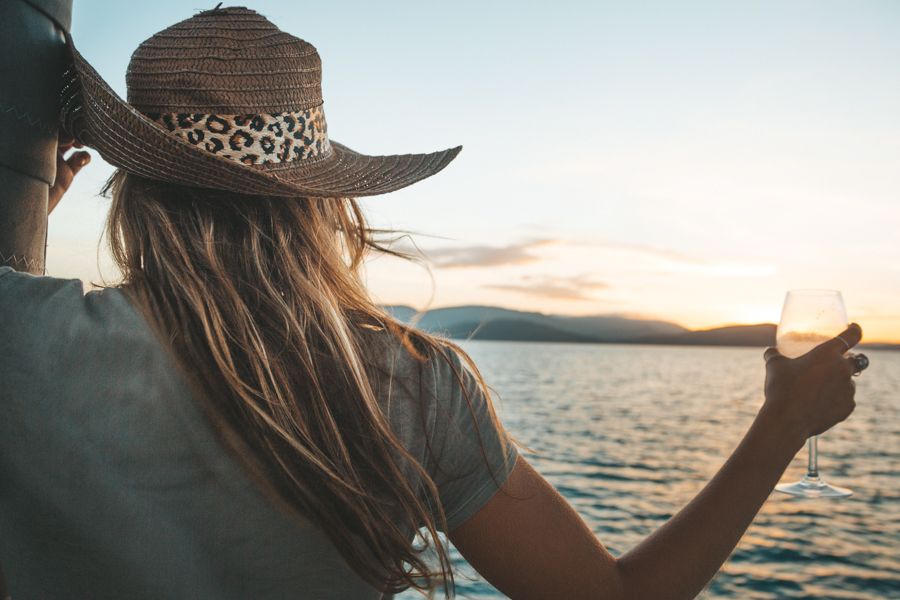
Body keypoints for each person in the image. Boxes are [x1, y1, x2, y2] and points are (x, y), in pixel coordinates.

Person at [0, 5, 869, 600]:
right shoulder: (412, 385)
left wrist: (32, 200)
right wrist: (781, 426)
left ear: (133, 188)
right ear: (322, 202)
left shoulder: (20, 338)